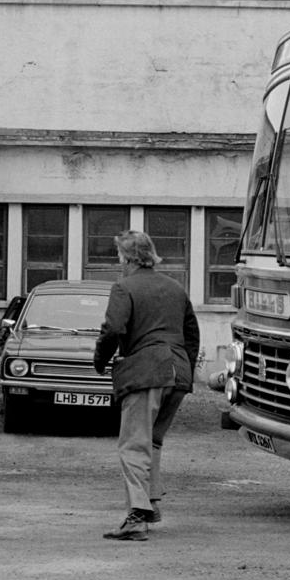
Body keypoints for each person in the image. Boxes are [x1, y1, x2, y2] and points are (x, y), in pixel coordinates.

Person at [93, 230, 200, 542]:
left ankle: (137, 516)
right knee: (152, 442)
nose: (119, 263)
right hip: (177, 374)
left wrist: (101, 359)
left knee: (133, 444)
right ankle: (150, 504)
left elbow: (113, 328)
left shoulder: (124, 287)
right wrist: (186, 371)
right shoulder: (176, 288)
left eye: (119, 257)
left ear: (127, 258)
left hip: (146, 373)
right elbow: (191, 334)